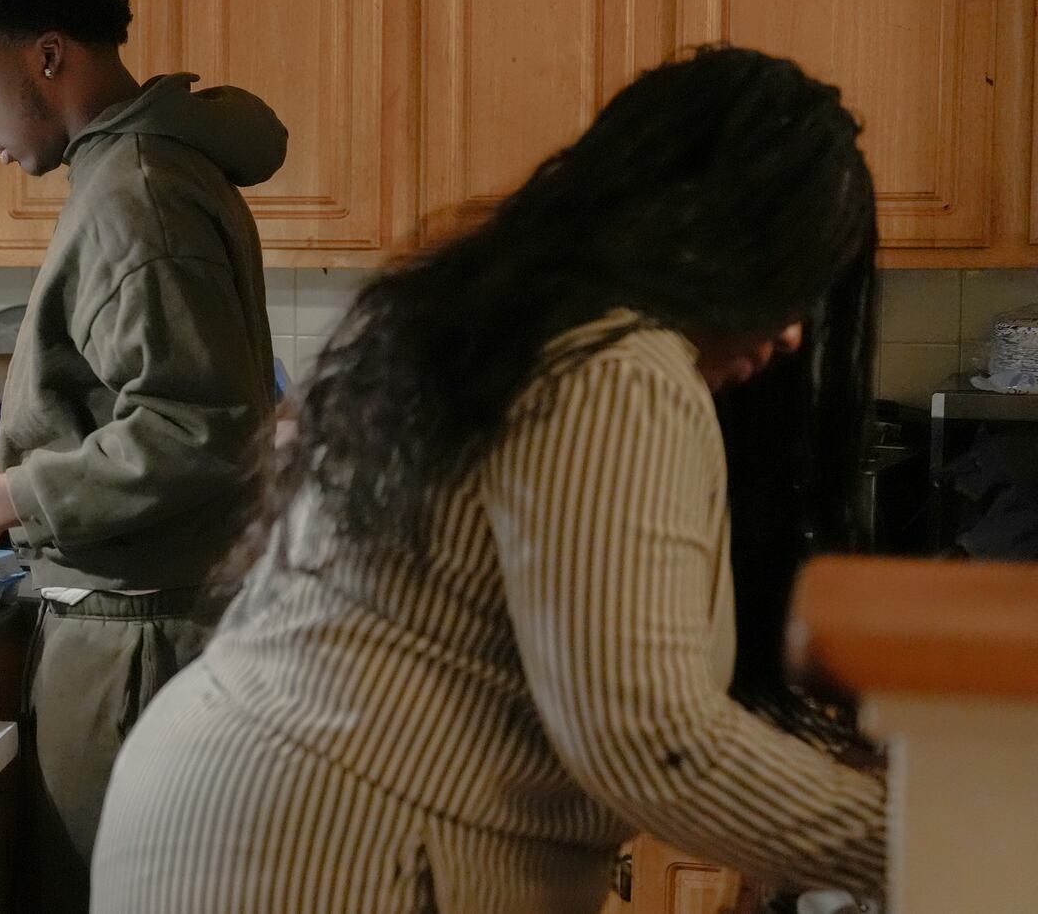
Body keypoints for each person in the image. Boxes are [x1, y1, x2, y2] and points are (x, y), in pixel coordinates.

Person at [91, 46, 888, 913]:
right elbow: (651, 742)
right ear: (720, 234)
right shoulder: (619, 368)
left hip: (227, 813)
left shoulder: (508, 315)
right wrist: (916, 834)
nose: (795, 336)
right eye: (793, 281)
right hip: (324, 847)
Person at [0, 0, 286, 912]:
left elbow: (198, 430)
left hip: (141, 642)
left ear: (48, 55)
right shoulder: (145, 167)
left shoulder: (135, 189)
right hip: (149, 626)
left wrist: (0, 496)